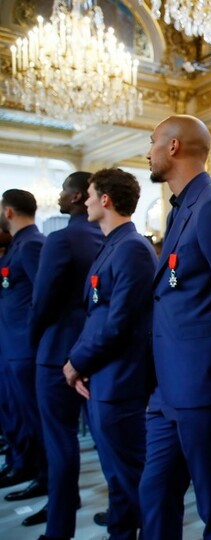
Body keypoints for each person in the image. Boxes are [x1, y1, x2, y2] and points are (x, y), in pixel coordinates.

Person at [139, 115, 211, 539]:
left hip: (205, 389)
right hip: (167, 389)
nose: (147, 152)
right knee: (155, 494)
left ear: (173, 147)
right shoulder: (181, 208)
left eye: (152, 142)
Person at [63, 168, 157, 540]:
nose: (84, 201)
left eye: (89, 195)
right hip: (104, 375)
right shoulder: (114, 245)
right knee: (117, 473)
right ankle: (121, 528)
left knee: (128, 474)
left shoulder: (131, 247)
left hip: (120, 379)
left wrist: (77, 362)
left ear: (105, 199)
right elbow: (95, 315)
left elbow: (120, 323)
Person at [29, 172, 104, 535]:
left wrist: (32, 341)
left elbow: (42, 301)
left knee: (59, 440)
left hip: (56, 350)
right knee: (104, 442)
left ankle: (59, 526)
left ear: (76, 196)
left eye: (63, 190)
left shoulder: (61, 239)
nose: (58, 196)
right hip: (97, 350)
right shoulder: (106, 236)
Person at [0, 190, 47, 498]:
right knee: (15, 412)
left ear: (8, 212)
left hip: (24, 346)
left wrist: (30, 335)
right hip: (11, 345)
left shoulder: (32, 244)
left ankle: (44, 476)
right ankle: (23, 464)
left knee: (34, 418)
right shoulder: (17, 244)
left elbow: (42, 296)